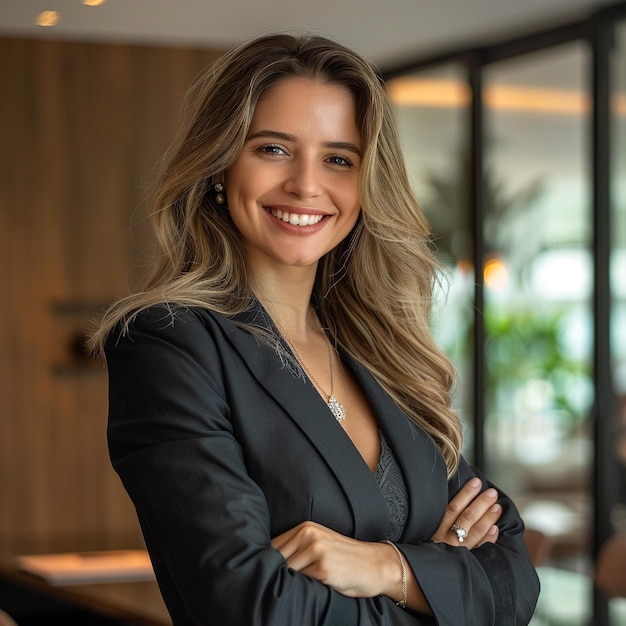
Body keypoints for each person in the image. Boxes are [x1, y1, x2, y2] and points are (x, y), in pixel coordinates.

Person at [91, 33, 540, 625]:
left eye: (338, 158)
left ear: (365, 183)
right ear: (221, 166)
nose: (306, 185)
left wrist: (386, 569)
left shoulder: (382, 350)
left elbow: (514, 582)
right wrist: (439, 583)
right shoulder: (167, 343)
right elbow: (252, 610)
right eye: (273, 149)